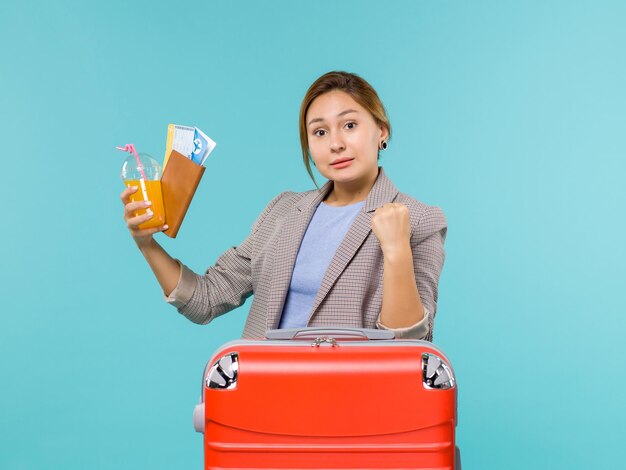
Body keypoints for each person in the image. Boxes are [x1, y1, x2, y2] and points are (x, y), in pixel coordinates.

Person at [120, 71, 447, 341]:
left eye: (350, 125)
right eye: (319, 132)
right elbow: (206, 299)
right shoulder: (282, 211)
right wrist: (146, 244)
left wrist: (396, 251)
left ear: (381, 131)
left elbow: (408, 345)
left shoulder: (420, 219)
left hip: (351, 408)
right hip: (263, 400)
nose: (336, 143)